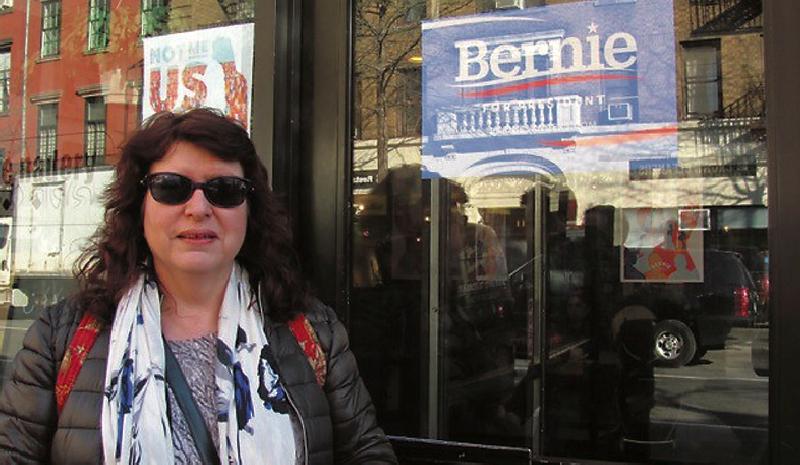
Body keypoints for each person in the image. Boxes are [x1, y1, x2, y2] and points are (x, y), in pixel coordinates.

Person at [0, 108, 397, 465]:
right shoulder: (63, 339)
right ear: (140, 205)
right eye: (171, 187)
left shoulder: (313, 332)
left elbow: (366, 452)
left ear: (249, 209)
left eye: (224, 190)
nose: (198, 208)